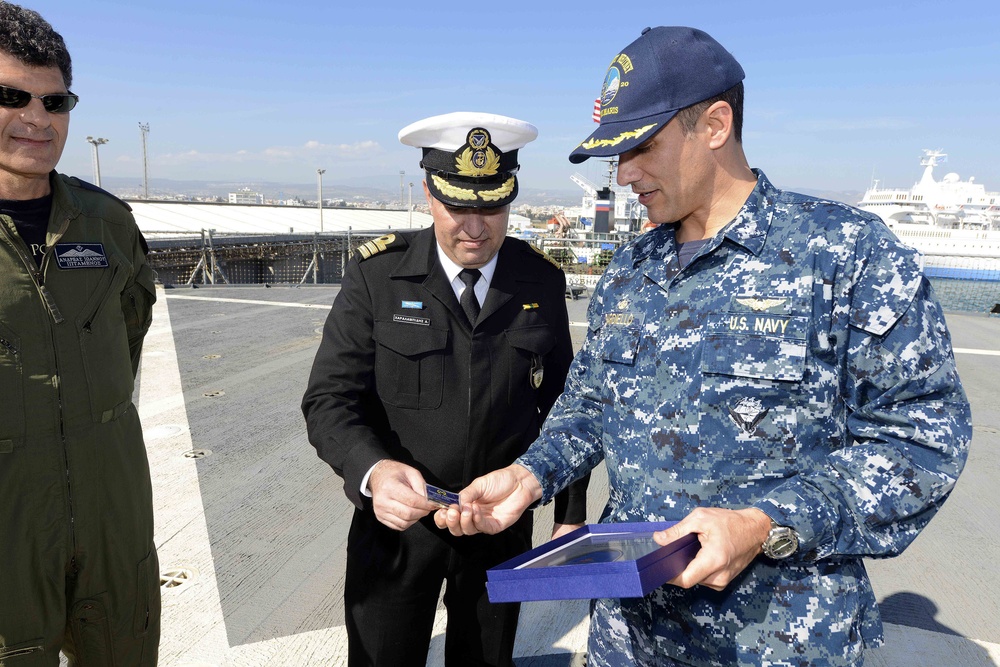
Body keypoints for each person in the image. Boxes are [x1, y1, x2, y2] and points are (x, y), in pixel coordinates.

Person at [436, 27, 972, 667]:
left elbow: (923, 438)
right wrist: (530, 475)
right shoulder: (630, 269)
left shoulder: (846, 254)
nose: (625, 174)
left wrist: (765, 523)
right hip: (630, 639)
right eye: (617, 156)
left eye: (641, 148)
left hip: (781, 641)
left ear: (715, 124)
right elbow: (589, 404)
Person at [302, 111, 589, 667]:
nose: (475, 226)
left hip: (500, 526)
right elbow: (330, 399)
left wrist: (570, 512)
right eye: (459, 204)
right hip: (397, 528)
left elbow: (565, 402)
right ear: (429, 195)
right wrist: (372, 472)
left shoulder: (540, 281)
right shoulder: (377, 277)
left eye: (492, 206)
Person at [0, 3, 160, 666]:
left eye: (54, 100)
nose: (37, 118)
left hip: (113, 524)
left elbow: (129, 332)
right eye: (11, 96)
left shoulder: (107, 223)